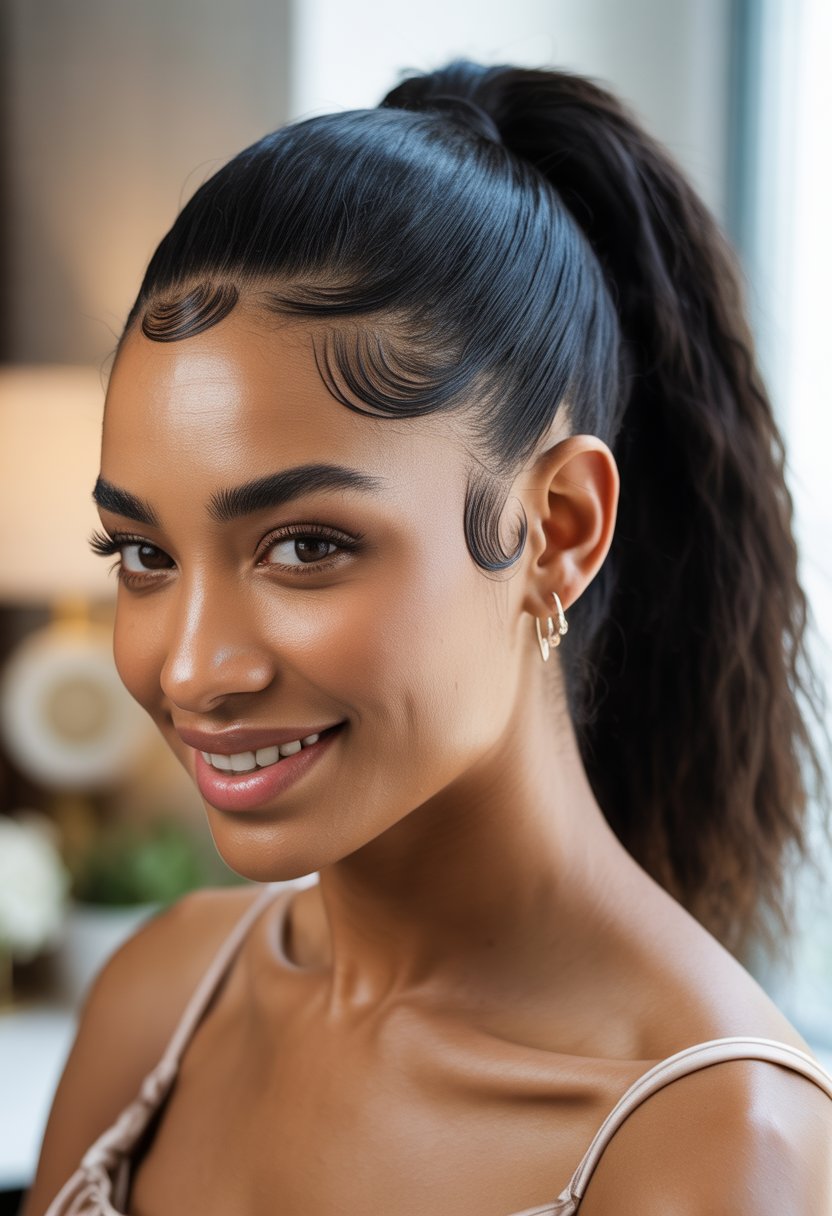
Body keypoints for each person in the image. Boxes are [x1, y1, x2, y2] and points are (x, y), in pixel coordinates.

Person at [24, 58, 832, 1216]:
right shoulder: (160, 1000)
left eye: (305, 546)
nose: (193, 667)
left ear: (556, 529)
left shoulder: (714, 1147)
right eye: (144, 555)